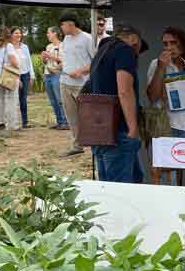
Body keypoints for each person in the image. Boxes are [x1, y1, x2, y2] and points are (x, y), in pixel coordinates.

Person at [89, 24, 147, 184]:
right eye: (137, 49)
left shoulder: (103, 50)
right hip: (119, 131)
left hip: (99, 130)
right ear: (134, 39)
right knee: (122, 189)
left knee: (111, 186)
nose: (136, 55)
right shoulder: (125, 50)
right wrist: (133, 128)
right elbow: (124, 90)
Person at [146, 27, 185, 139]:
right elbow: (152, 97)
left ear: (184, 45)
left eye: (173, 43)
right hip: (167, 124)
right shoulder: (156, 64)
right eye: (165, 44)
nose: (169, 47)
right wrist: (161, 68)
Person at [59, 14, 95, 156]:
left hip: (83, 84)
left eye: (62, 25)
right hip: (65, 82)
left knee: (88, 116)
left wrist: (81, 71)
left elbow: (96, 61)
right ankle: (77, 145)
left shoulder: (87, 38)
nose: (61, 28)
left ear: (70, 23)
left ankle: (94, 144)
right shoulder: (66, 39)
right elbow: (67, 59)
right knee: (71, 116)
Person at [0, 28, 22, 134]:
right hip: (7, 75)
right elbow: (13, 60)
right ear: (9, 36)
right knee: (11, 99)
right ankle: (12, 124)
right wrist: (18, 68)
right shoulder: (8, 46)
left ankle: (0, 122)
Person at [41, 26, 68, 129]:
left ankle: (65, 122)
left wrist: (51, 56)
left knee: (60, 99)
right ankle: (59, 121)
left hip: (58, 74)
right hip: (48, 74)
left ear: (55, 33)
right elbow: (46, 62)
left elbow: (64, 61)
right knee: (52, 100)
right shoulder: (48, 46)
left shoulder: (63, 46)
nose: (47, 35)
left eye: (49, 33)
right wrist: (44, 58)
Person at [10, 28, 33, 128]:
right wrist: (17, 78)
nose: (19, 35)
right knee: (14, 99)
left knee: (23, 99)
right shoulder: (9, 47)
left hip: (25, 74)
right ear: (11, 35)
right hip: (13, 75)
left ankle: (25, 121)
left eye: (20, 33)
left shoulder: (25, 47)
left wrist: (32, 75)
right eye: (16, 33)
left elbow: (29, 61)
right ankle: (13, 122)